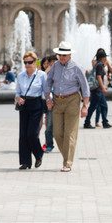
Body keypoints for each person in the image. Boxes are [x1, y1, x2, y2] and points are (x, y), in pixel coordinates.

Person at [46, 42, 90, 173]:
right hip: (57, 101)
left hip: (72, 100)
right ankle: (67, 154)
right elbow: (48, 81)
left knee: (70, 133)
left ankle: (67, 163)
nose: (62, 57)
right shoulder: (55, 66)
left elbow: (85, 87)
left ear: (70, 54)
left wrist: (85, 106)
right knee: (57, 133)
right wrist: (48, 98)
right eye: (60, 55)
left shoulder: (77, 67)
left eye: (64, 55)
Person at [15, 52, 47, 170]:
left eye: (30, 62)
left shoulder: (42, 75)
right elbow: (17, 92)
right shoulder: (20, 76)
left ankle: (39, 154)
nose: (27, 65)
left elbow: (46, 91)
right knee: (23, 134)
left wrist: (49, 101)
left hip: (36, 104)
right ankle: (25, 161)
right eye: (25, 63)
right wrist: (18, 98)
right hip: (24, 105)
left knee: (32, 133)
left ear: (35, 62)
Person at [84, 50, 112, 129]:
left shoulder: (97, 64)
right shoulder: (99, 65)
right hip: (97, 90)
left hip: (97, 90)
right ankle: (87, 123)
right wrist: (103, 88)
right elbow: (98, 77)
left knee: (103, 106)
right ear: (103, 57)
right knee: (93, 107)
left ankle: (105, 122)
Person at [41, 55, 58, 153]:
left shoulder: (60, 72)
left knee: (58, 125)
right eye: (50, 62)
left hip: (59, 101)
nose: (51, 64)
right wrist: (47, 70)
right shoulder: (45, 73)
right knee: (49, 125)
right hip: (49, 101)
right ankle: (49, 144)